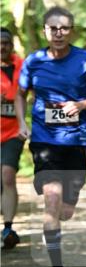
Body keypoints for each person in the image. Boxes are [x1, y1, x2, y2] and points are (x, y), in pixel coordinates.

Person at [15, 7, 86, 267]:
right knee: (52, 200)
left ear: (72, 31)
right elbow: (20, 94)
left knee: (66, 210)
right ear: (45, 30)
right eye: (53, 28)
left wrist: (82, 104)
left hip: (76, 142)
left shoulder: (85, 60)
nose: (58, 33)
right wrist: (22, 122)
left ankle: (55, 228)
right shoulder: (33, 62)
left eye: (64, 28)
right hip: (45, 142)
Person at [1, 27, 25, 249]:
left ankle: (8, 227)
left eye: (6, 42)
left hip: (13, 132)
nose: (2, 47)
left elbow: (32, 93)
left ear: (12, 45)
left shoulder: (23, 66)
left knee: (7, 176)